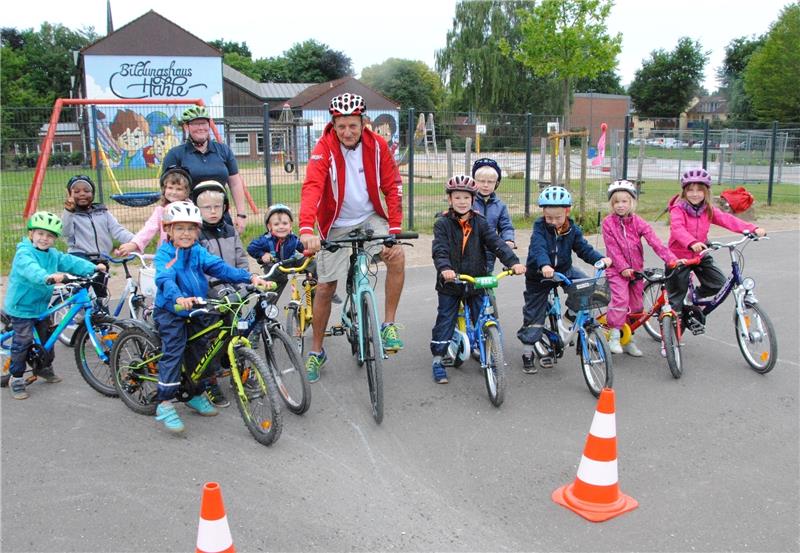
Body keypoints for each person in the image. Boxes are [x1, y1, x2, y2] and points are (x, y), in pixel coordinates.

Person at [297, 92, 405, 383]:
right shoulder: (324, 148)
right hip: (335, 223)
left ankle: (388, 324)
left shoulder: (377, 145)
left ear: (363, 122)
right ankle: (316, 351)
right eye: (341, 125)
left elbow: (393, 186)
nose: (347, 132)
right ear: (334, 124)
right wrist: (307, 229)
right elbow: (312, 188)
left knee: (397, 257)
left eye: (352, 126)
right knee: (324, 287)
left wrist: (393, 228)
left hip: (370, 218)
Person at [152, 201, 272, 434]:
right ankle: (164, 402)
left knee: (201, 348)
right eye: (179, 228)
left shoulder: (197, 251)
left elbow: (220, 267)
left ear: (197, 230)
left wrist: (250, 278)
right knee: (174, 350)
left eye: (190, 228)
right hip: (171, 310)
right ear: (168, 230)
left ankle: (195, 392)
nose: (186, 233)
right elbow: (164, 278)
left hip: (197, 306)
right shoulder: (165, 253)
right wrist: (177, 298)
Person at [431, 176, 525, 384]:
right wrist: (445, 269)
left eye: (466, 197)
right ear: (450, 199)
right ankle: (438, 359)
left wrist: (513, 262)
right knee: (445, 320)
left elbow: (496, 243)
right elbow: (440, 250)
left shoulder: (480, 223)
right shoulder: (443, 224)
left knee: (481, 317)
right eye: (457, 197)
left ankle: (488, 355)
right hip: (451, 282)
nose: (462, 201)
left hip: (476, 280)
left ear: (473, 200)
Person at [4, 212, 105, 399]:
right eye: (41, 233)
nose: (45, 239)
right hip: (22, 307)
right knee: (23, 341)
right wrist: (47, 277)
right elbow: (31, 269)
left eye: (50, 236)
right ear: (31, 234)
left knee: (47, 338)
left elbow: (69, 261)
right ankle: (16, 378)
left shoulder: (52, 254)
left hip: (41, 306)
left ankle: (43, 368)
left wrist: (93, 268)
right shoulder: (24, 253)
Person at [517, 186, 611, 374]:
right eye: (549, 217)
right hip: (539, 275)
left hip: (564, 270)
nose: (553, 222)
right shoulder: (539, 228)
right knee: (535, 314)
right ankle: (528, 351)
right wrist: (544, 266)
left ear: (567, 212)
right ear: (543, 213)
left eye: (558, 217)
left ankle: (572, 315)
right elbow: (539, 248)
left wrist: (599, 259)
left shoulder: (572, 230)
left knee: (588, 288)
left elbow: (583, 249)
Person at [666, 168, 765, 324]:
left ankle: (693, 297)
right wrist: (691, 242)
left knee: (718, 283)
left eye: (699, 190)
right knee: (676, 302)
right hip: (679, 256)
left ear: (706, 192)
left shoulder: (708, 210)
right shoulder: (678, 210)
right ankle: (670, 339)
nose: (695, 194)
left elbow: (728, 220)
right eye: (690, 190)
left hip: (700, 255)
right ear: (684, 192)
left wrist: (752, 229)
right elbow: (677, 229)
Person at [602, 180, 680, 356]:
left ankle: (629, 339)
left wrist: (671, 259)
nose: (620, 205)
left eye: (624, 201)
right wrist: (622, 268)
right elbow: (612, 248)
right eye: (616, 202)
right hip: (617, 270)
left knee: (636, 308)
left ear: (632, 203)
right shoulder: (608, 223)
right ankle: (614, 334)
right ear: (611, 204)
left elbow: (655, 242)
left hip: (636, 272)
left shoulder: (638, 222)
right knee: (621, 300)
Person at [191, 181, 250, 408]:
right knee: (210, 340)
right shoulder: (196, 235)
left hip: (233, 293)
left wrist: (244, 282)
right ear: (198, 210)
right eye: (207, 208)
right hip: (210, 296)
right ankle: (210, 381)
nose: (213, 211)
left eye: (217, 206)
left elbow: (241, 258)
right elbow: (199, 269)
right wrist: (217, 288)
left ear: (225, 207)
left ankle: (240, 372)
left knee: (235, 332)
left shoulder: (230, 230)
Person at [162, 106, 250, 234]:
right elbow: (168, 189)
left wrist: (241, 215)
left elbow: (235, 183)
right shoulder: (176, 154)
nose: (200, 128)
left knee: (226, 251)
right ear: (186, 127)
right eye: (195, 124)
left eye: (203, 123)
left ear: (209, 125)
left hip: (220, 215)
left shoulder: (223, 150)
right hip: (190, 218)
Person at [61, 174, 134, 311]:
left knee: (101, 295)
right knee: (81, 296)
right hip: (80, 259)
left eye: (87, 191)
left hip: (101, 260)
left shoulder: (102, 212)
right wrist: (68, 211)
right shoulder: (70, 214)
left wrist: (136, 241)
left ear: (93, 193)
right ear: (69, 194)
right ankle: (80, 320)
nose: (82, 194)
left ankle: (103, 324)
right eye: (76, 191)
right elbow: (65, 232)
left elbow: (118, 230)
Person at [115, 166, 192, 256]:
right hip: (166, 255)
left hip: (189, 253)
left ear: (186, 192)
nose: (174, 192)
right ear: (164, 189)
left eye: (179, 189)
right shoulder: (161, 211)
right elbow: (149, 229)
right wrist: (134, 244)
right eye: (170, 188)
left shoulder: (192, 210)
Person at [247, 204, 307, 299]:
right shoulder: (265, 240)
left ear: (290, 225)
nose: (281, 227)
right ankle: (266, 310)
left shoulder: (293, 239)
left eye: (284, 223)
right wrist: (262, 255)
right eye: (276, 224)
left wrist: (309, 249)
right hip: (274, 271)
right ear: (269, 227)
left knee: (311, 262)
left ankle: (318, 287)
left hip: (289, 264)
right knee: (269, 300)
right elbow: (251, 248)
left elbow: (303, 248)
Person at [471, 158, 515, 273]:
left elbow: (506, 226)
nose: (486, 185)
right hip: (469, 250)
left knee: (487, 280)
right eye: (481, 181)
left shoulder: (500, 206)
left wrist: (508, 239)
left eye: (490, 182)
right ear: (474, 182)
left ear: (496, 183)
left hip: (490, 251)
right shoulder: (469, 202)